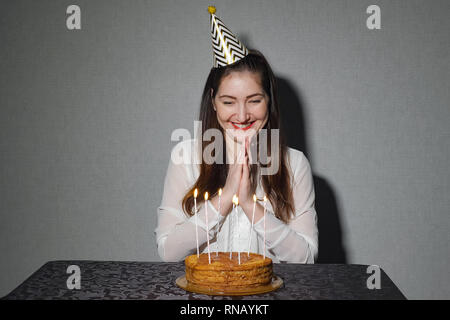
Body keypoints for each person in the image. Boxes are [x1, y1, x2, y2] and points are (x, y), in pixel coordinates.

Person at [155, 7, 318, 263]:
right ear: (213, 101)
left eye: (254, 100)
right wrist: (225, 199)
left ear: (269, 101)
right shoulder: (185, 156)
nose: (242, 115)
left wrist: (250, 205)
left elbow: (306, 258)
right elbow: (168, 252)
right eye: (229, 102)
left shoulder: (294, 163)